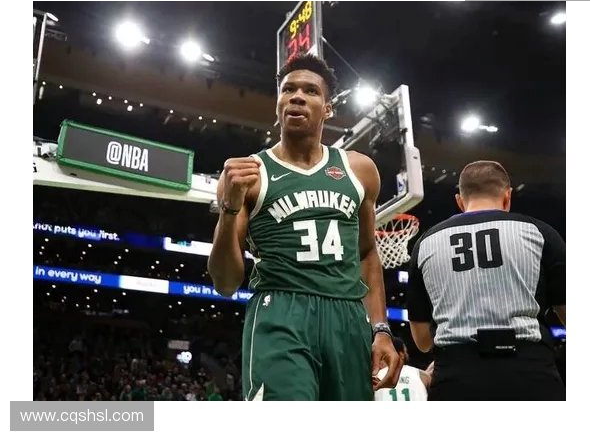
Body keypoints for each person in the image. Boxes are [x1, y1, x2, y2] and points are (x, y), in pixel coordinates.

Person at [208, 54, 401, 401]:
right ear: (278, 103)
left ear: (328, 109)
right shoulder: (248, 174)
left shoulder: (359, 169)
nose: (297, 96)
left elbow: (367, 253)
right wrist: (228, 209)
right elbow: (225, 283)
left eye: (310, 91)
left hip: (348, 317)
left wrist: (381, 329)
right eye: (288, 89)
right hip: (281, 312)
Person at [406, 160, 566, 401]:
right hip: (530, 373)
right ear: (507, 196)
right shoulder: (541, 233)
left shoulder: (425, 243)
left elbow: (422, 341)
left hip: (456, 376)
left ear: (460, 201)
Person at [374, 337, 430, 401]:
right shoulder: (424, 376)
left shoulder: (374, 379)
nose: (407, 354)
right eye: (406, 352)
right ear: (401, 354)